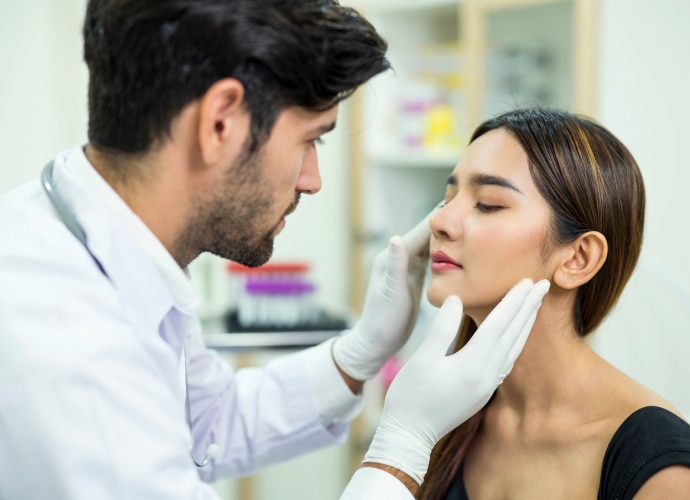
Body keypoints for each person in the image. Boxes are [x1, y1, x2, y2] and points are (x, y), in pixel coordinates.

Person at [0, 1, 551, 499]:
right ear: (221, 122)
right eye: (311, 138)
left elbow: (208, 426)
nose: (312, 180)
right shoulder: (69, 356)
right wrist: (401, 449)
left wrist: (356, 355)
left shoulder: (100, 247)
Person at [417, 108, 690, 499]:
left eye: (488, 203)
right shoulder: (442, 422)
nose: (439, 221)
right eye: (447, 198)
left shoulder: (658, 465)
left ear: (578, 258)